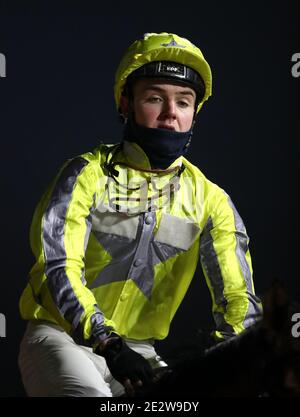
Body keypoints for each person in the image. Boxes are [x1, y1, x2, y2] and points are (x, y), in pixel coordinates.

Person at [18, 32, 262, 397]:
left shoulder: (213, 201)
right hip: (61, 338)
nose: (170, 113)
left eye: (183, 101)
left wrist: (236, 360)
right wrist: (108, 343)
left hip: (142, 354)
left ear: (195, 113)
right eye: (154, 98)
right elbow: (58, 268)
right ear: (125, 103)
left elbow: (237, 299)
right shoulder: (84, 175)